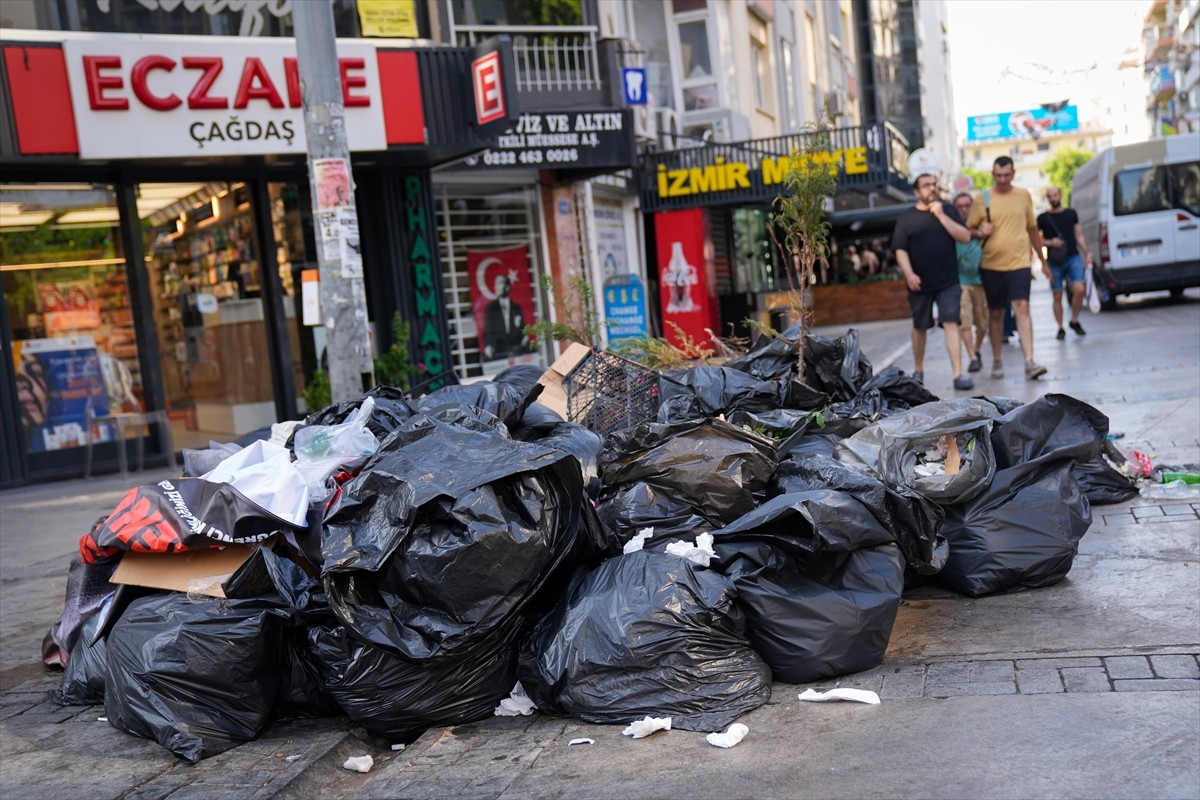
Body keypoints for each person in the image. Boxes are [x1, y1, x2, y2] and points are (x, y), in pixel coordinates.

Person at [965, 156, 1047, 381]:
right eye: (998, 175)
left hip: (1020, 262)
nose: (1002, 180)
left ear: (1013, 173)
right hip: (991, 265)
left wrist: (1043, 262)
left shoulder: (1023, 196)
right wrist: (981, 229)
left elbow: (1032, 230)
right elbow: (968, 230)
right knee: (996, 313)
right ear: (993, 174)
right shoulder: (981, 199)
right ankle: (997, 360)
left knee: (1022, 307)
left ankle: (1029, 361)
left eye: (1006, 175)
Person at [891, 173, 975, 390]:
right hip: (919, 282)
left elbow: (965, 237)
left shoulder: (947, 210)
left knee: (951, 323)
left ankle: (958, 374)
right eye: (926, 185)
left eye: (934, 184)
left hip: (948, 280)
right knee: (920, 327)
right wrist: (909, 274)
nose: (932, 188)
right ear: (916, 192)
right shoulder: (906, 218)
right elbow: (900, 250)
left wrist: (941, 216)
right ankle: (918, 370)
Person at [1038, 186, 1093, 339]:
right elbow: (1036, 240)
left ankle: (1074, 320)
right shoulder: (1043, 218)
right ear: (1047, 198)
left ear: (1060, 195)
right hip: (1054, 260)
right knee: (1057, 295)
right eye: (1050, 196)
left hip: (1072, 256)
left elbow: (1078, 235)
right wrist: (1050, 242)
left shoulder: (1071, 214)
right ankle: (1060, 327)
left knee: (1080, 289)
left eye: (1055, 195)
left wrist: (1087, 252)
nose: (1053, 198)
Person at [953, 192, 987, 374]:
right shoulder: (952, 227)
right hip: (960, 281)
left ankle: (977, 348)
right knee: (964, 320)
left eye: (968, 205)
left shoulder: (983, 226)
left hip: (982, 281)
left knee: (983, 322)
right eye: (961, 206)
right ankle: (972, 356)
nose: (965, 210)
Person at [481, 274, 527, 360]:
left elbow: (522, 328)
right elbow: (487, 331)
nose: (496, 287)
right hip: (499, 353)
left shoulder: (516, 308)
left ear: (507, 287)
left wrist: (525, 338)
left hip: (516, 353)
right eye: (496, 284)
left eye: (500, 283)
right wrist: (489, 346)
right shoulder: (491, 308)